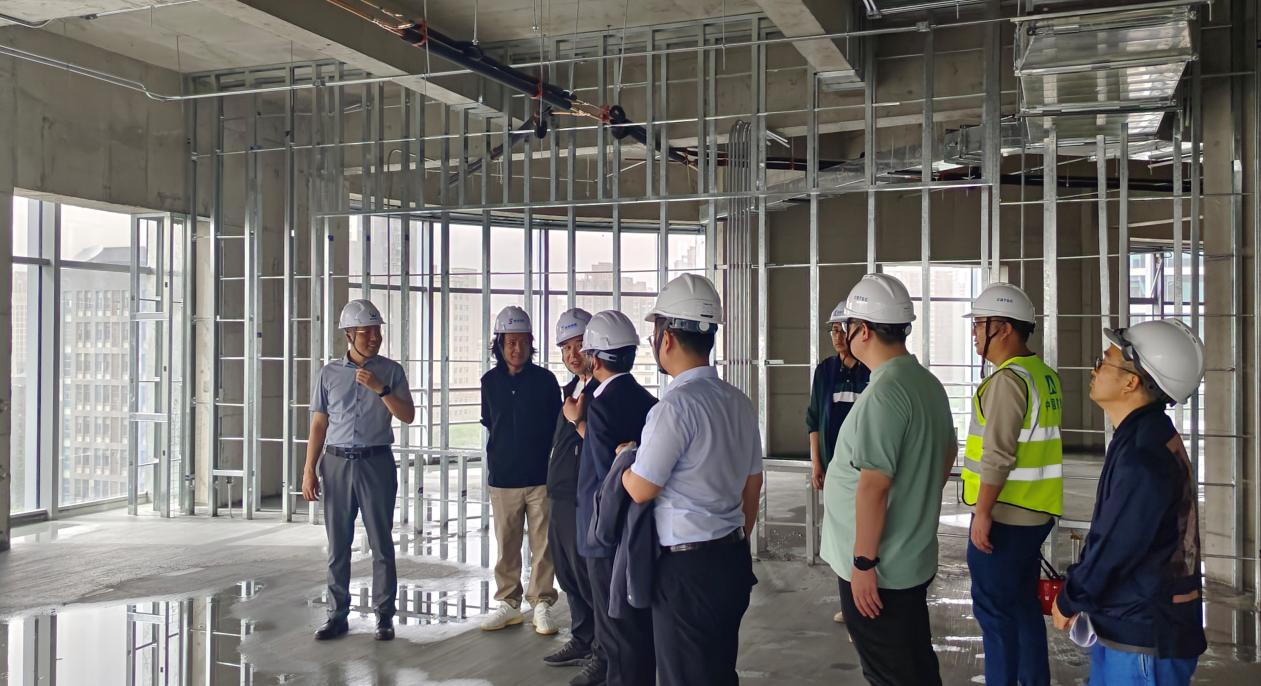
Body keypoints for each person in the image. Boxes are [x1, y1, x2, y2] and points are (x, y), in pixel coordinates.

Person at [622, 273, 764, 686]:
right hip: (731, 560)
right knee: (718, 671)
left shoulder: (674, 408)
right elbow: (753, 484)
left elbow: (642, 488)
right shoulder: (739, 402)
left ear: (666, 338)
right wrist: (733, 536)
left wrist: (624, 464)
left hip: (687, 571)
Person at [1052, 319, 1207, 685]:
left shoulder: (1142, 454)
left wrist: (1071, 597)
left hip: (1143, 638)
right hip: (1134, 626)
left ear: (1131, 382)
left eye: (1105, 361)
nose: (1095, 369)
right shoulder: (1145, 435)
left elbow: (1116, 545)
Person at [819, 273, 956, 686]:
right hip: (909, 558)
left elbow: (874, 486)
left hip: (881, 570)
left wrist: (864, 563)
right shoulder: (926, 384)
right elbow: (947, 454)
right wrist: (915, 500)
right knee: (914, 664)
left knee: (889, 673)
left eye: (847, 326)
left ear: (862, 330)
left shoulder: (884, 393)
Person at [961, 283, 1062, 686]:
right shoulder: (1043, 375)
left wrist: (983, 513)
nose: (974, 333)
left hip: (1005, 517)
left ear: (1003, 328)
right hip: (1036, 513)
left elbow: (998, 455)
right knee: (1021, 606)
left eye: (979, 324)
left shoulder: (1008, 380)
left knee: (995, 614)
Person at [302, 298, 415, 642]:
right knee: (338, 545)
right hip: (335, 463)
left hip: (376, 462)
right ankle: (336, 616)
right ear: (349, 334)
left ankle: (384, 617)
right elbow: (319, 424)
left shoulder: (391, 371)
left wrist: (381, 389)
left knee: (381, 542)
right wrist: (309, 469)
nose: (374, 338)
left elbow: (407, 415)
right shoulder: (329, 374)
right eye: (366, 332)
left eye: (377, 331)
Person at [573, 310, 657, 686]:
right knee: (638, 626)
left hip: (606, 534)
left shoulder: (601, 405)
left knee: (615, 632)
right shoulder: (649, 401)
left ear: (594, 359)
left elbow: (607, 476)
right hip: (640, 528)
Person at [479, 305, 562, 634]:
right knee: (507, 545)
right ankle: (508, 603)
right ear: (499, 344)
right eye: (511, 342)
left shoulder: (546, 381)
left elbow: (557, 426)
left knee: (544, 546)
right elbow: (491, 422)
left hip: (540, 476)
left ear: (531, 342)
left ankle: (541, 603)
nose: (517, 348)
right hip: (503, 478)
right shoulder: (489, 382)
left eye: (523, 341)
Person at [541, 307, 606, 685]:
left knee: (588, 575)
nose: (572, 354)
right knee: (567, 572)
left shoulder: (604, 391)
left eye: (579, 345)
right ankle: (582, 638)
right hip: (561, 494)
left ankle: (603, 650)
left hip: (586, 496)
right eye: (566, 348)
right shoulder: (570, 390)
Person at [807, 300, 872, 623]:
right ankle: (850, 605)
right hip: (835, 468)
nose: (835, 336)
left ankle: (865, 604)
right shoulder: (825, 371)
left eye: (840, 329)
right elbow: (813, 418)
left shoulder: (870, 371)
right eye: (831, 330)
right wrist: (817, 463)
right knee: (841, 535)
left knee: (866, 533)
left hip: (866, 468)